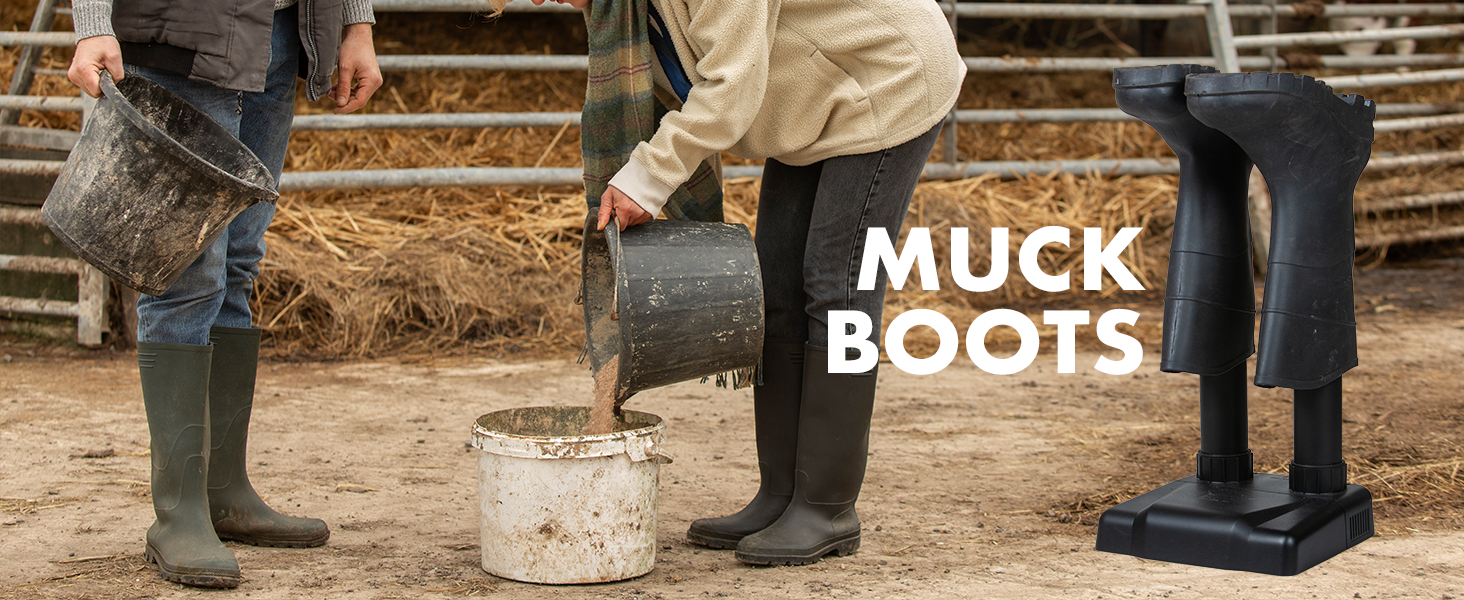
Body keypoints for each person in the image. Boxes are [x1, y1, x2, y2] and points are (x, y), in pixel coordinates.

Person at [522, 0, 965, 565]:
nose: (540, 2)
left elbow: (729, 89)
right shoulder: (622, 8)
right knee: (775, 286)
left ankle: (827, 506)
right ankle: (781, 492)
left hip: (887, 79)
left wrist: (649, 177)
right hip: (814, 99)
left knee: (838, 288)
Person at [66, 0, 382, 588]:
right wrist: (92, 24)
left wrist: (356, 23)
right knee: (187, 269)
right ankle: (178, 511)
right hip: (185, 29)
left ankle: (223, 490)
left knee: (238, 260)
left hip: (279, 31)